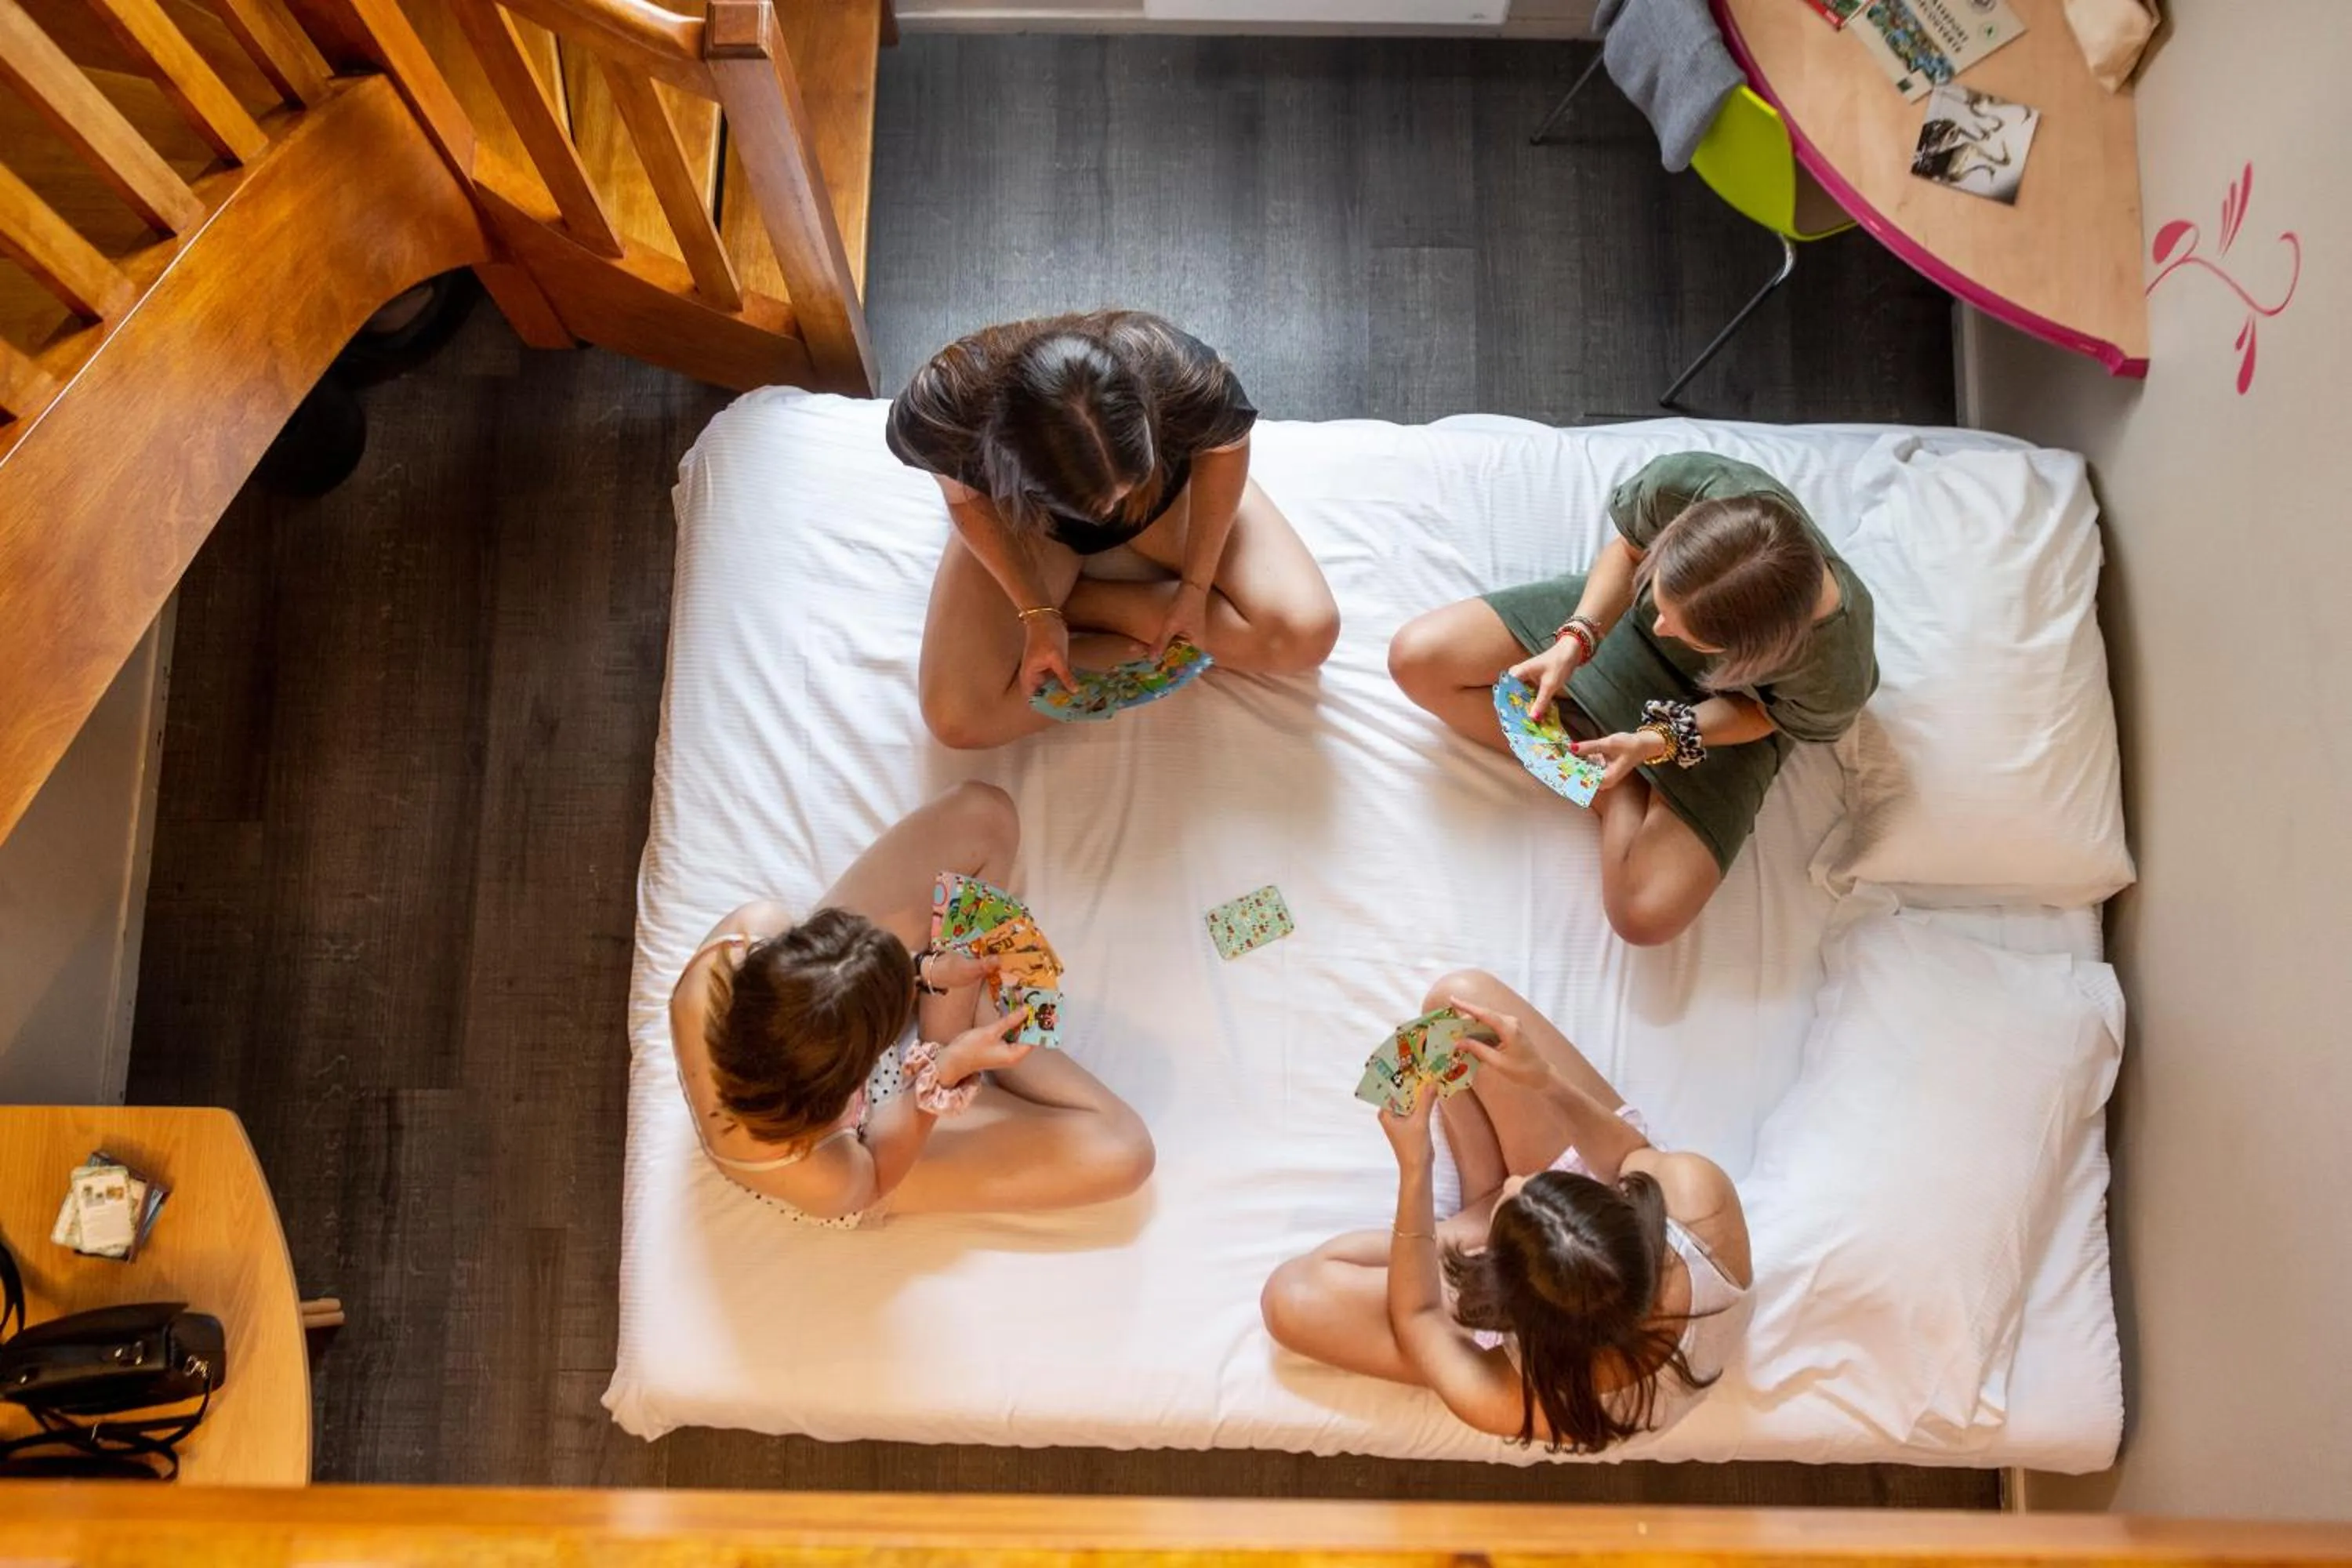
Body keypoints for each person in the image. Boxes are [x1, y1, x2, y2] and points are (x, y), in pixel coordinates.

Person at [1387, 453, 1876, 946]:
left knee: (1644, 915)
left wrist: (1658, 740)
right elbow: (1629, 553)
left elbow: (1764, 714)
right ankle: (1608, 782)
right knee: (1418, 660)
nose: (1663, 629)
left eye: (1682, 631)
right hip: (1620, 625)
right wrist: (1576, 639)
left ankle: (1617, 783)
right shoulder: (1692, 488)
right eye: (1663, 599)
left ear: (1749, 651)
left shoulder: (1834, 672)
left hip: (1727, 711)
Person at [1260, 969, 1751, 1454]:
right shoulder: (1695, 1194)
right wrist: (1544, 1081)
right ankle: (1481, 1207)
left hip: (1549, 1337)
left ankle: (1477, 1210)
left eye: (1508, 1203)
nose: (1521, 1180)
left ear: (1504, 1306)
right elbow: (1628, 1154)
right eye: (1537, 1183)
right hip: (1568, 1277)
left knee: (1291, 1298)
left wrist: (1417, 1168)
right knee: (1458, 1006)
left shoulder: (1522, 1399)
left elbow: (1420, 1315)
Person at [668, 782, 1154, 1227]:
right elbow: (875, 1172)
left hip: (827, 1036)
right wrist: (944, 1070)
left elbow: (860, 972)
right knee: (1125, 1151)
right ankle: (959, 1034)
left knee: (985, 816)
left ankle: (953, 1017)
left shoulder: (746, 938)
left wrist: (926, 970)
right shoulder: (821, 1174)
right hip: (868, 1144)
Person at [888, 310, 1341, 749]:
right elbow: (964, 499)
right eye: (1093, 501)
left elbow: (1226, 449)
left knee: (1305, 635)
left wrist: (1195, 588)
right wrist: (1036, 611)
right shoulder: (944, 408)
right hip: (1033, 529)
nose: (1108, 511)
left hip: (1163, 504)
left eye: (1122, 489)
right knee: (958, 718)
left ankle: (1085, 602)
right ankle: (1064, 603)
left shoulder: (1175, 367)